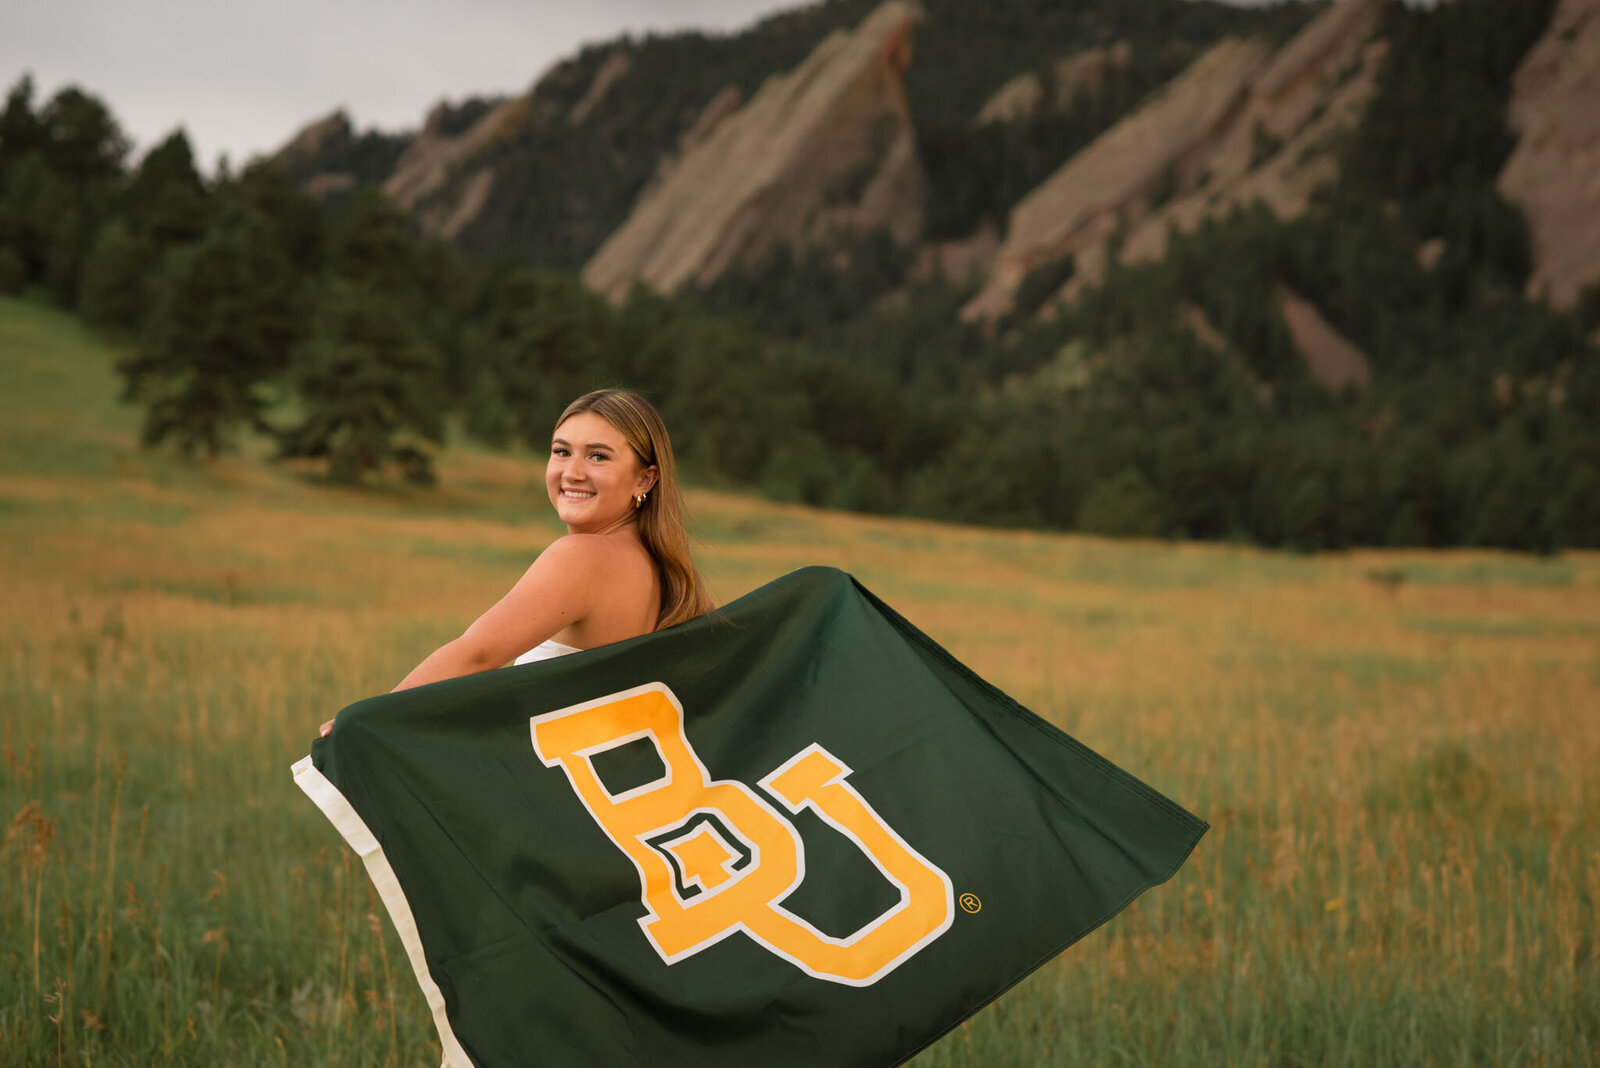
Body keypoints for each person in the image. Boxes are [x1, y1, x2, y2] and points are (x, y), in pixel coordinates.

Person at [319, 388, 712, 737]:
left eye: (598, 456)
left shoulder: (582, 557)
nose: (572, 473)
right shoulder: (661, 571)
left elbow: (477, 654)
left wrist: (370, 720)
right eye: (562, 451)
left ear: (644, 480)